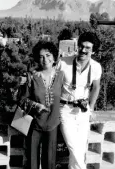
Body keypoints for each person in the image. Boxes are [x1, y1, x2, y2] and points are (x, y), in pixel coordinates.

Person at [57, 31, 102, 169]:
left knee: (79, 151)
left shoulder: (96, 67)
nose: (83, 50)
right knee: (74, 148)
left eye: (88, 48)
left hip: (83, 112)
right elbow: (54, 86)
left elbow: (96, 87)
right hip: (65, 110)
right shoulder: (63, 63)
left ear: (93, 50)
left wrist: (91, 107)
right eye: (81, 46)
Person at [18, 41, 64, 169]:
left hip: (53, 124)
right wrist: (36, 105)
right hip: (34, 124)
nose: (45, 59)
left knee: (49, 162)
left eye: (48, 55)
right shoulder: (32, 77)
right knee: (31, 161)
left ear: (54, 57)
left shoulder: (61, 76)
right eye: (41, 56)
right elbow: (22, 100)